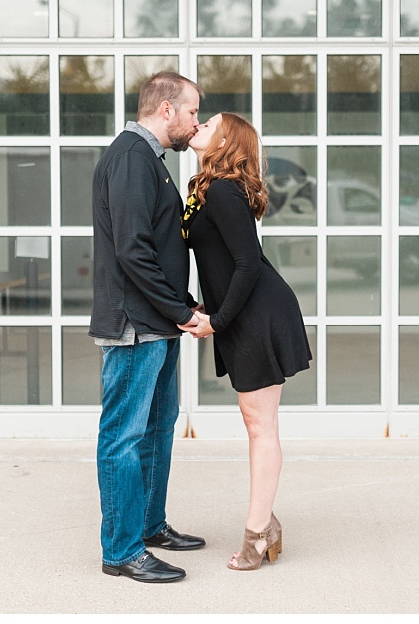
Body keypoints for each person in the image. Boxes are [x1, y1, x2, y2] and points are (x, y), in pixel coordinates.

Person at [89, 71, 207, 584]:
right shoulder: (133, 158)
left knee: (157, 430)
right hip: (136, 326)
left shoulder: (148, 161)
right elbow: (132, 250)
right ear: (166, 109)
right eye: (192, 112)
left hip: (158, 324)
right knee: (124, 437)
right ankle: (121, 551)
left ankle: (149, 526)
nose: (195, 122)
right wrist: (180, 312)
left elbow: (157, 249)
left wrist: (183, 305)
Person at [181, 112, 312, 571]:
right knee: (256, 420)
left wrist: (216, 320)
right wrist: (204, 306)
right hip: (243, 312)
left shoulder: (221, 190)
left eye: (208, 122)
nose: (197, 125)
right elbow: (219, 260)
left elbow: (247, 264)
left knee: (261, 425)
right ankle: (266, 524)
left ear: (226, 140)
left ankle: (258, 534)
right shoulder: (207, 189)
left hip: (258, 314)